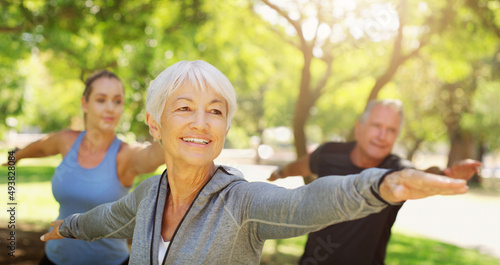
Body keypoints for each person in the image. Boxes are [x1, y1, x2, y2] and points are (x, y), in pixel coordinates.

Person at [40, 60, 478, 265]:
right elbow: (106, 218)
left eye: (215, 111)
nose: (202, 122)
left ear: (226, 126)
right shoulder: (148, 194)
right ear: (155, 124)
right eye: (184, 108)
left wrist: (378, 186)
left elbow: (305, 204)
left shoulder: (241, 202)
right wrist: (68, 226)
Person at [267, 99, 481, 265]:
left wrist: (444, 174)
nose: (382, 135)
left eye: (391, 130)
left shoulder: (397, 169)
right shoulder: (330, 154)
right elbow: (300, 166)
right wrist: (279, 173)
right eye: (377, 125)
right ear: (360, 128)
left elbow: (418, 177)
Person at [8, 70, 165, 265]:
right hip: (55, 258)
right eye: (101, 100)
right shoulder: (66, 141)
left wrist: (169, 124)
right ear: (85, 103)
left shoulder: (126, 155)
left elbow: (154, 155)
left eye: (117, 101)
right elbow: (40, 147)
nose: (111, 108)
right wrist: (15, 156)